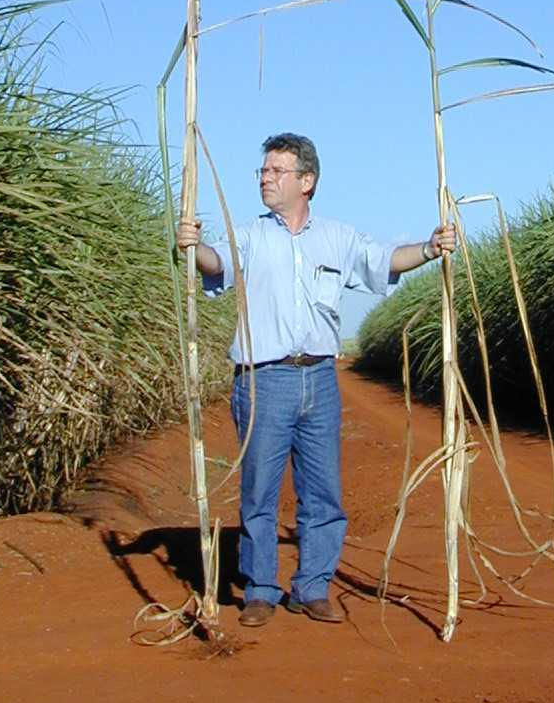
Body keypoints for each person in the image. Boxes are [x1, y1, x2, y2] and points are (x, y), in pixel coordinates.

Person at [175, 131, 456, 628]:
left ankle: (312, 587)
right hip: (263, 382)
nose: (265, 177)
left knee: (323, 490)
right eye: (263, 171)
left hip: (320, 379)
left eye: (276, 171)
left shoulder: (338, 237)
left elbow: (385, 260)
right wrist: (193, 247)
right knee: (259, 492)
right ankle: (261, 590)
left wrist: (432, 248)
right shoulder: (250, 236)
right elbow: (216, 264)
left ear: (307, 181)